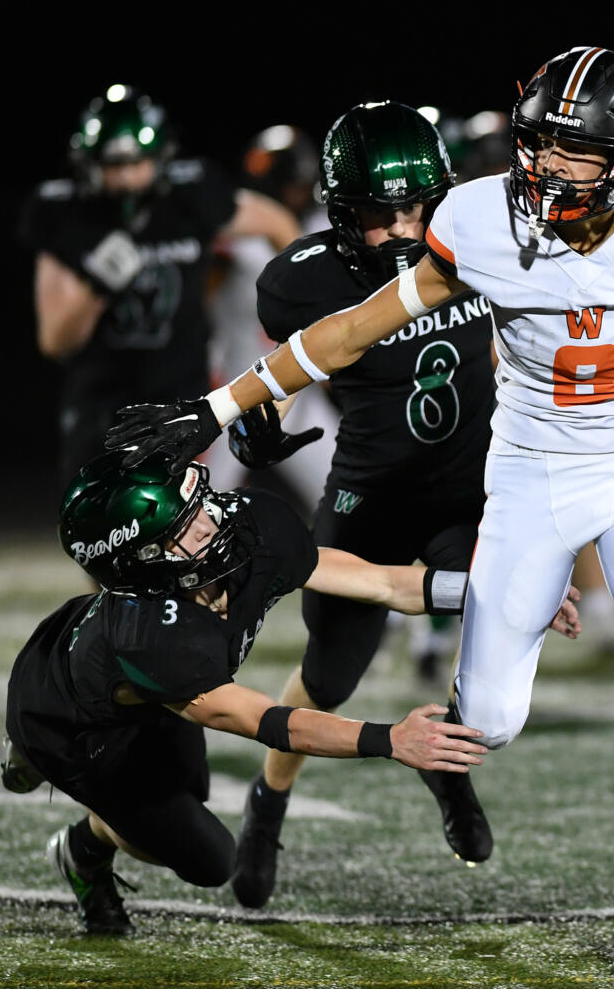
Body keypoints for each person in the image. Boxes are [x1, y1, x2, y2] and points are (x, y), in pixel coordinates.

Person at [105, 46, 614, 977]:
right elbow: (349, 330)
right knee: (490, 725)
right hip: (524, 479)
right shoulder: (477, 219)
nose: (545, 170)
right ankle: (426, 741)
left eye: (571, 153)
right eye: (536, 147)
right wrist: (217, 410)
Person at [1, 449, 495, 936]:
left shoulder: (249, 525)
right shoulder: (154, 638)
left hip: (143, 687)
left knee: (190, 790)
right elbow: (277, 723)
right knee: (212, 859)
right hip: (70, 725)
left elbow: (383, 583)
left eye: (195, 505)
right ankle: (79, 846)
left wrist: (495, 599)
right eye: (181, 530)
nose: (208, 524)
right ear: (142, 563)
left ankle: (86, 832)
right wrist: (390, 740)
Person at [221, 101, 500, 909]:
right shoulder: (301, 281)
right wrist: (254, 434)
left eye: (419, 207)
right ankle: (268, 804)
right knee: (329, 676)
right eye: (381, 216)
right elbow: (276, 382)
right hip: (370, 497)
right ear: (342, 213)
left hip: (471, 496)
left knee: (496, 648)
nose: (404, 230)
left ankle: (445, 767)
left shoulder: (480, 240)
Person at [18, 84, 302, 489]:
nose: (127, 178)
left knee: (181, 535)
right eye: (113, 166)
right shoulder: (65, 214)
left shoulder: (190, 195)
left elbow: (278, 224)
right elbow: (55, 340)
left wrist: (296, 312)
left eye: (137, 163)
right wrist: (98, 286)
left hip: (179, 402)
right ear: (89, 164)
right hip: (101, 407)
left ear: (161, 157)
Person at [204, 123, 340, 516]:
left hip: (299, 394)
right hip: (236, 394)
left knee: (342, 498)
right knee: (196, 504)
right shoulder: (235, 242)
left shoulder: (321, 228)